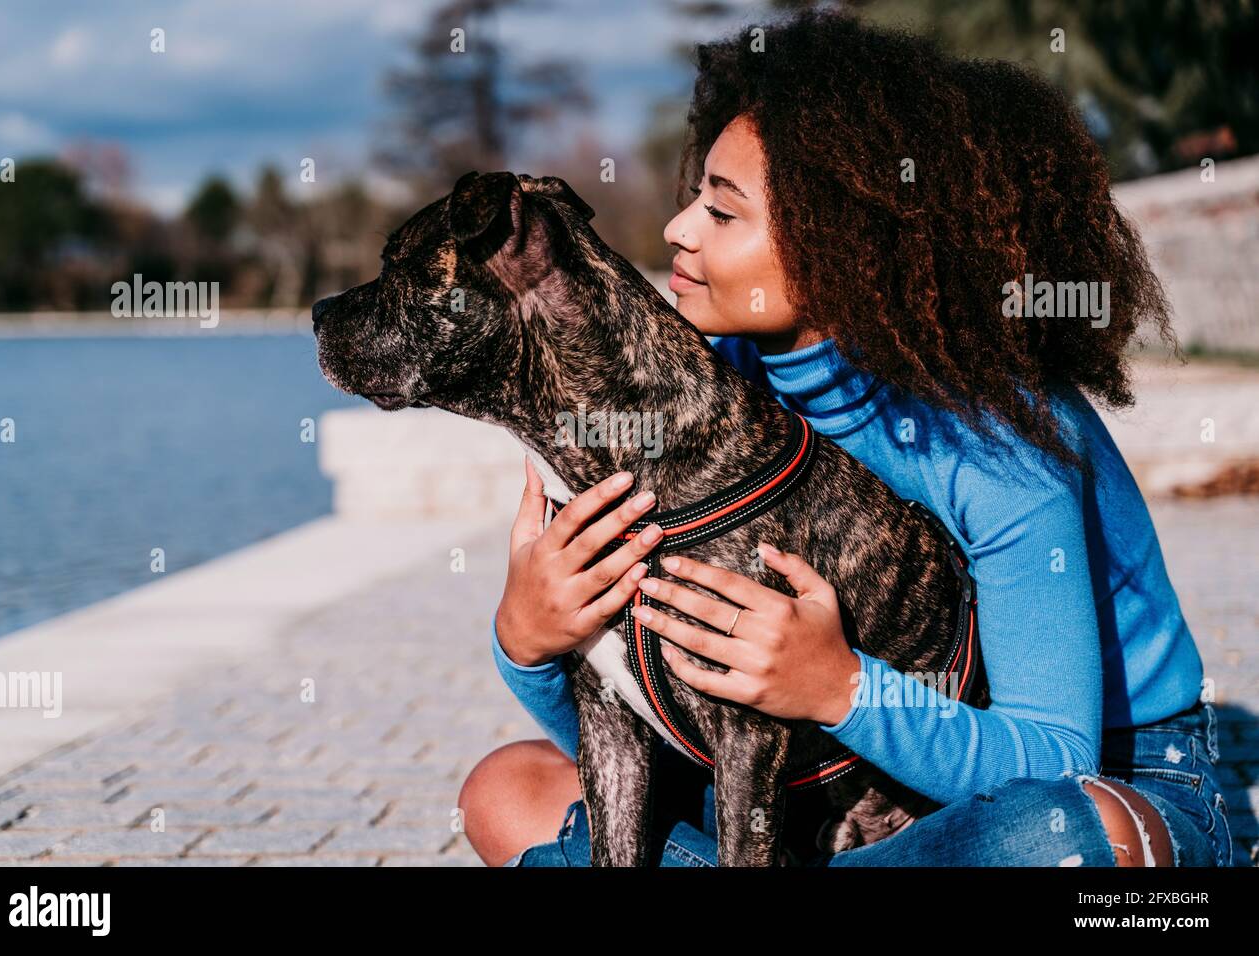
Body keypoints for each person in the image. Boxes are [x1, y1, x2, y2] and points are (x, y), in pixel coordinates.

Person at [457, 9, 1235, 867]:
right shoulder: (709, 385)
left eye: (723, 212)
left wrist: (840, 689)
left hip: (1091, 774)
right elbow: (658, 729)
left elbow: (1053, 762)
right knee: (508, 791)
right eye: (695, 197)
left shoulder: (1001, 438)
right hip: (813, 783)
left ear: (845, 243)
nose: (678, 229)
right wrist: (530, 641)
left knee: (1081, 840)